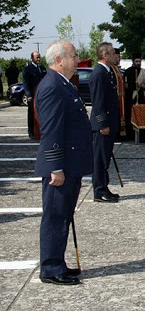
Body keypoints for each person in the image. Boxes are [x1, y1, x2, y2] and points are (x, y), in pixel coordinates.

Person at [35, 40, 91, 285]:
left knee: (64, 215)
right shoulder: (52, 86)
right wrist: (55, 167)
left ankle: (58, 262)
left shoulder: (64, 84)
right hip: (61, 166)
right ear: (59, 60)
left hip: (70, 163)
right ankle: (50, 267)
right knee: (56, 216)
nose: (77, 60)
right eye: (73, 55)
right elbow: (51, 131)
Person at [89, 42, 120, 203]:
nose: (116, 56)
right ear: (104, 55)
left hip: (110, 122)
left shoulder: (108, 72)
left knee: (105, 158)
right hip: (103, 125)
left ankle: (104, 187)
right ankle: (99, 190)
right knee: (99, 159)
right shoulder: (99, 74)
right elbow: (98, 102)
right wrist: (102, 124)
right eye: (113, 53)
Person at [123, 54, 145, 140]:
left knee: (142, 117)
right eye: (136, 61)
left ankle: (142, 136)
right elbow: (126, 86)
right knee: (130, 117)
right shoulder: (128, 71)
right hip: (131, 98)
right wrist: (136, 85)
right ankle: (131, 135)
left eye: (139, 61)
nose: (138, 63)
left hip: (142, 98)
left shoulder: (144, 72)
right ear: (133, 62)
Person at [23, 51, 47, 139]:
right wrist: (28, 94)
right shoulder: (28, 69)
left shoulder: (42, 68)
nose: (38, 59)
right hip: (32, 95)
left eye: (39, 57)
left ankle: (41, 131)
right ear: (32, 58)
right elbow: (25, 83)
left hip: (42, 95)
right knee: (32, 113)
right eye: (36, 57)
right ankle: (31, 132)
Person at [110, 48, 126, 139]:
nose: (118, 59)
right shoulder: (111, 69)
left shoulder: (116, 69)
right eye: (117, 57)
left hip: (121, 97)